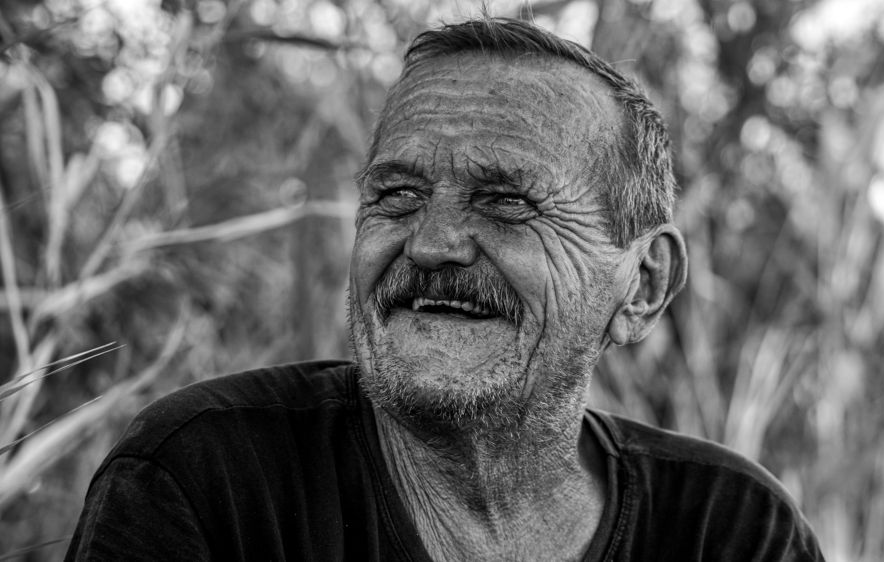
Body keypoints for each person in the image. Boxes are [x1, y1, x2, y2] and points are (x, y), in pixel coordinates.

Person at [66, 17, 825, 561]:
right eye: (396, 195)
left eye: (507, 202)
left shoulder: (733, 530)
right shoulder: (208, 482)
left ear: (643, 285)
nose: (430, 244)